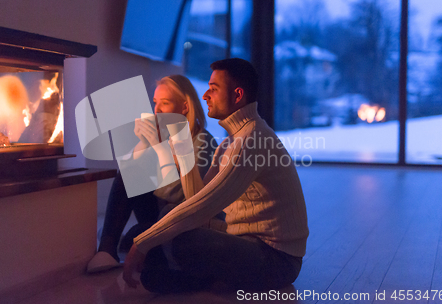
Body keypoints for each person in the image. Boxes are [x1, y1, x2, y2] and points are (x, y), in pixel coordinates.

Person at [123, 58, 309, 293]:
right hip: (245, 238)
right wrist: (182, 145)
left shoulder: (249, 141)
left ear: (238, 95)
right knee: (167, 217)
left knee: (181, 240)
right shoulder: (231, 141)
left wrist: (142, 245)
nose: (205, 96)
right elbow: (195, 198)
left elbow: (202, 207)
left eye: (213, 89)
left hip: (277, 259)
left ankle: (195, 277)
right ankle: (182, 271)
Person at [87, 75, 217, 273]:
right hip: (160, 212)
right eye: (155, 103)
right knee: (131, 169)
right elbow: (127, 176)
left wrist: (157, 147)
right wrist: (143, 142)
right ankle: (107, 248)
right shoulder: (165, 135)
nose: (156, 110)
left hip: (182, 219)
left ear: (184, 107)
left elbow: (178, 196)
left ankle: (123, 238)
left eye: (165, 103)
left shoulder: (202, 141)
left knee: (135, 236)